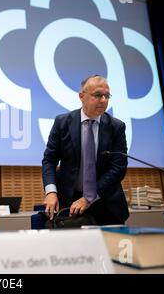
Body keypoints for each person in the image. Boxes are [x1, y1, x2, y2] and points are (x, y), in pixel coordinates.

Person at [41, 75, 129, 225]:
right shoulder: (62, 123)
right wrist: (50, 191)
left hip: (105, 202)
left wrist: (89, 197)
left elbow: (118, 168)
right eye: (97, 95)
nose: (103, 100)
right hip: (70, 203)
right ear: (82, 96)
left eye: (107, 96)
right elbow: (49, 160)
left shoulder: (116, 127)